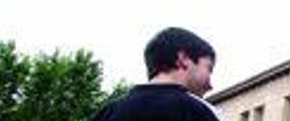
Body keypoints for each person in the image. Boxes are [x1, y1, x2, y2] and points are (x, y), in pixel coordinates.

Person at [92, 27, 224, 121]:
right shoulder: (199, 111)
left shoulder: (106, 113)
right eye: (209, 68)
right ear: (183, 59)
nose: (210, 85)